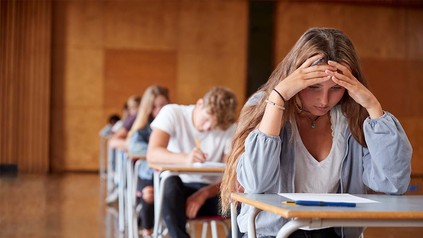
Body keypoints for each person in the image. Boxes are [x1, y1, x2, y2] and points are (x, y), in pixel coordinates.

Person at [220, 27, 412, 238]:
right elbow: (256, 183)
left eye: (336, 89)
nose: (324, 101)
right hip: (274, 232)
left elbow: (394, 182)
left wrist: (373, 107)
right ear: (295, 77)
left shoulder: (353, 117)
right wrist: (279, 97)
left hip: (332, 231)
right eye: (313, 87)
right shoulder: (265, 105)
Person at [147, 86, 238, 238]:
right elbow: (152, 153)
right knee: (170, 182)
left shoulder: (230, 128)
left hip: (212, 191)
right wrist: (185, 158)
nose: (209, 127)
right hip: (179, 191)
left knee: (242, 203)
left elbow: (228, 176)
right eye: (207, 117)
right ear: (200, 103)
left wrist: (203, 194)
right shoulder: (173, 113)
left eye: (217, 124)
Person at [126, 85, 170, 236]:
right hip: (147, 174)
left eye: (163, 105)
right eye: (154, 106)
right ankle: (148, 230)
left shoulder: (173, 125)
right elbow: (134, 148)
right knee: (149, 193)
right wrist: (159, 151)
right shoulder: (142, 130)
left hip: (168, 172)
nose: (158, 110)